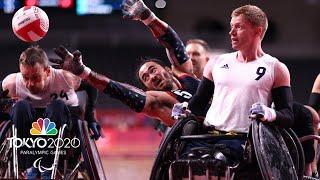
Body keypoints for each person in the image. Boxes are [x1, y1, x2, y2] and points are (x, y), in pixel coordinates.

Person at [174, 4, 294, 163]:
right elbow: (200, 101)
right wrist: (185, 108)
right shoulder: (217, 62)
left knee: (216, 164)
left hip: (242, 141)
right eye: (231, 27)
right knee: (185, 162)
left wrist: (267, 113)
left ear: (257, 31)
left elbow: (287, 115)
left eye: (238, 27)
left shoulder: (276, 68)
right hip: (206, 136)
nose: (231, 32)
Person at [1, 46, 100, 179]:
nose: (29, 84)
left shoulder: (65, 78)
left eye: (35, 77)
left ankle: (48, 166)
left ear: (47, 71)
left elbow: (92, 85)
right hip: (29, 129)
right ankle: (31, 166)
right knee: (20, 107)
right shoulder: (11, 83)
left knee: (57, 106)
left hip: (61, 123)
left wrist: (90, 117)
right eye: (25, 77)